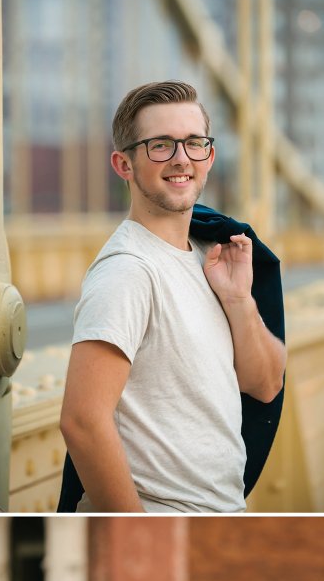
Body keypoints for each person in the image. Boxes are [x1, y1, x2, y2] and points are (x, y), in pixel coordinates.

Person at [59, 81, 286, 513]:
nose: (182, 159)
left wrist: (239, 301)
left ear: (210, 156)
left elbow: (266, 384)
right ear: (123, 164)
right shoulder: (128, 270)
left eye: (194, 143)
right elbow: (82, 421)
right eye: (160, 145)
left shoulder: (210, 256)